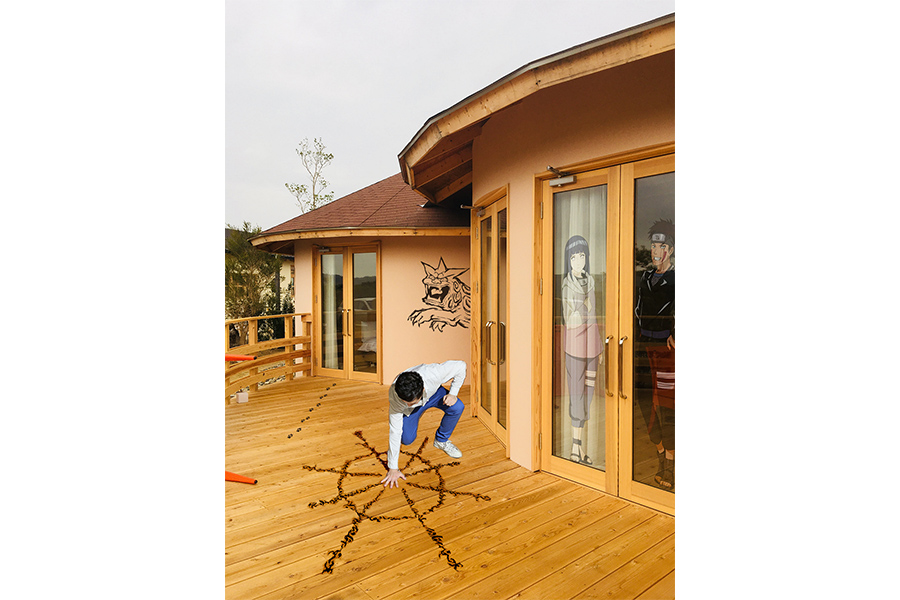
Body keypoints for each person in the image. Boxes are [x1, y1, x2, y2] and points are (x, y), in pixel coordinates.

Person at [634, 219, 675, 490]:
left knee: (668, 405)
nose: (655, 250)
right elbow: (636, 310)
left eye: (660, 245)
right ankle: (659, 450)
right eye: (652, 245)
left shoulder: (677, 279)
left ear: (669, 250)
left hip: (666, 350)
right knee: (644, 401)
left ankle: (670, 461)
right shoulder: (645, 277)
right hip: (643, 348)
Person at [380, 360, 467, 488]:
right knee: (407, 439)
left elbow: (461, 366)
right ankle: (416, 414)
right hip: (411, 411)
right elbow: (395, 431)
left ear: (423, 389)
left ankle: (441, 441)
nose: (407, 404)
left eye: (411, 402)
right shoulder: (396, 397)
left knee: (457, 407)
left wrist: (453, 393)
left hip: (434, 394)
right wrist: (393, 468)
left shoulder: (434, 373)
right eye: (405, 402)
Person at [561, 235, 603, 466]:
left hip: (592, 347)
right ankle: (575, 447)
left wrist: (600, 346)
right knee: (576, 396)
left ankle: (581, 445)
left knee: (588, 396)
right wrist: (584, 310)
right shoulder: (567, 285)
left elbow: (592, 316)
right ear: (568, 260)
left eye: (582, 256)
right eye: (574, 257)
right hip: (575, 348)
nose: (579, 261)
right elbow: (571, 320)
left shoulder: (591, 281)